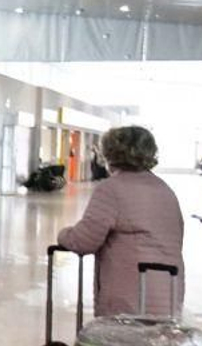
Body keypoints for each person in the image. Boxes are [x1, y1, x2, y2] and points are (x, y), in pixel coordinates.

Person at [56, 126, 185, 318]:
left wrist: (64, 235)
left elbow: (84, 240)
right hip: (168, 292)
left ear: (110, 153)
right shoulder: (164, 189)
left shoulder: (111, 189)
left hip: (130, 297)